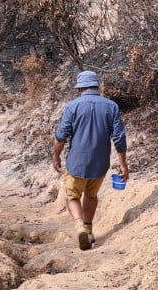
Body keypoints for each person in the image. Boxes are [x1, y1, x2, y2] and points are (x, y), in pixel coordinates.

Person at [52, 70, 128, 250]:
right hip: (100, 164)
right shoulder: (111, 106)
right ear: (97, 86)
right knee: (92, 195)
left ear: (80, 88)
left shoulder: (72, 106)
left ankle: (79, 227)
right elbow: (119, 138)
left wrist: (55, 156)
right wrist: (123, 165)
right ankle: (89, 229)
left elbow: (61, 136)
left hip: (76, 163)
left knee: (72, 197)